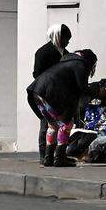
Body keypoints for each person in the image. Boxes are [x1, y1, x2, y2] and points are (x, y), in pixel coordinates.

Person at [27, 48, 97, 167]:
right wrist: (97, 91)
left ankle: (49, 158)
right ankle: (59, 157)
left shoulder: (66, 61)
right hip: (51, 93)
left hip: (37, 92)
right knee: (66, 125)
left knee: (53, 125)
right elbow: (82, 88)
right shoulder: (80, 64)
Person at [32, 24, 71, 162]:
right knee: (47, 124)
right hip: (45, 95)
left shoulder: (65, 54)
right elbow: (37, 74)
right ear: (58, 37)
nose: (67, 42)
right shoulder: (43, 52)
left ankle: (58, 154)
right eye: (66, 39)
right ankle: (44, 155)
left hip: (61, 96)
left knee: (62, 125)